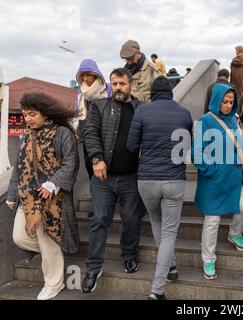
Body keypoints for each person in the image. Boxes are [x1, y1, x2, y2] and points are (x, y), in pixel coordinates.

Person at [6, 92, 80, 300]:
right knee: (19, 237)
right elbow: (18, 169)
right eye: (25, 115)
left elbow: (71, 164)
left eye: (32, 114)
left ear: (45, 114)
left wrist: (53, 184)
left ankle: (53, 284)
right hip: (27, 198)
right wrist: (12, 194)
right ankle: (55, 254)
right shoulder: (26, 135)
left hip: (53, 200)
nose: (27, 119)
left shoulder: (62, 133)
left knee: (48, 242)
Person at [127, 76, 193, 300]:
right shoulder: (183, 113)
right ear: (171, 92)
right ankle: (157, 290)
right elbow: (187, 144)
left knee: (156, 221)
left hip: (146, 179)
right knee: (169, 232)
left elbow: (131, 145)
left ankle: (171, 267)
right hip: (174, 179)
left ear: (152, 93)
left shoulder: (143, 111)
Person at [81, 68, 146, 293]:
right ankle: (93, 267)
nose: (118, 87)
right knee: (99, 219)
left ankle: (128, 255)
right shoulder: (99, 107)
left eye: (122, 84)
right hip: (103, 177)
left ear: (131, 85)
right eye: (114, 84)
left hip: (132, 178)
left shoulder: (141, 109)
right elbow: (89, 134)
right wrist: (97, 159)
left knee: (131, 219)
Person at [192, 83, 243, 280]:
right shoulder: (205, 121)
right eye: (225, 101)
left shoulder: (233, 120)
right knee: (212, 220)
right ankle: (208, 258)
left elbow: (236, 142)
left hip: (233, 177)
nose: (228, 105)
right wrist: (212, 171)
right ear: (216, 100)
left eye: (231, 102)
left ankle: (234, 233)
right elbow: (197, 153)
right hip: (213, 180)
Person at [73, 59, 112, 219]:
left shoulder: (107, 90)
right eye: (83, 76)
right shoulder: (80, 94)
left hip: (107, 136)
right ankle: (98, 207)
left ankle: (109, 204)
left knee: (109, 172)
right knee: (92, 174)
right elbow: (77, 117)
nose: (86, 79)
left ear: (96, 75)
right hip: (88, 138)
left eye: (89, 75)